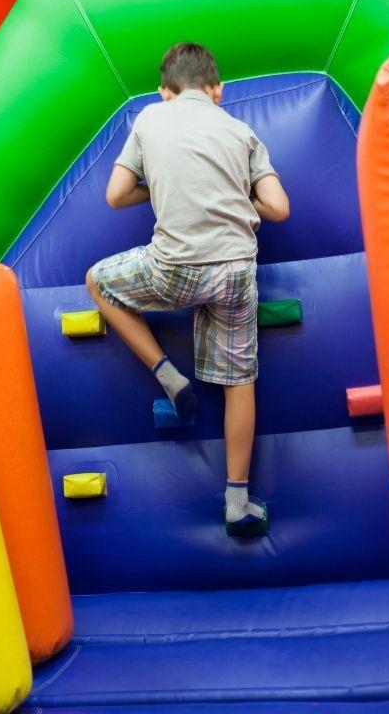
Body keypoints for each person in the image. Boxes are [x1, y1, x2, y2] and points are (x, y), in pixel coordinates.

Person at [85, 43, 290, 535]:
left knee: (98, 282)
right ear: (218, 90)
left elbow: (115, 196)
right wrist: (238, 199)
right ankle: (238, 501)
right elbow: (280, 208)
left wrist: (159, 185)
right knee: (240, 382)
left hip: (173, 268)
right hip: (236, 271)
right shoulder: (241, 131)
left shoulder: (150, 118)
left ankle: (167, 375)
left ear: (165, 91)